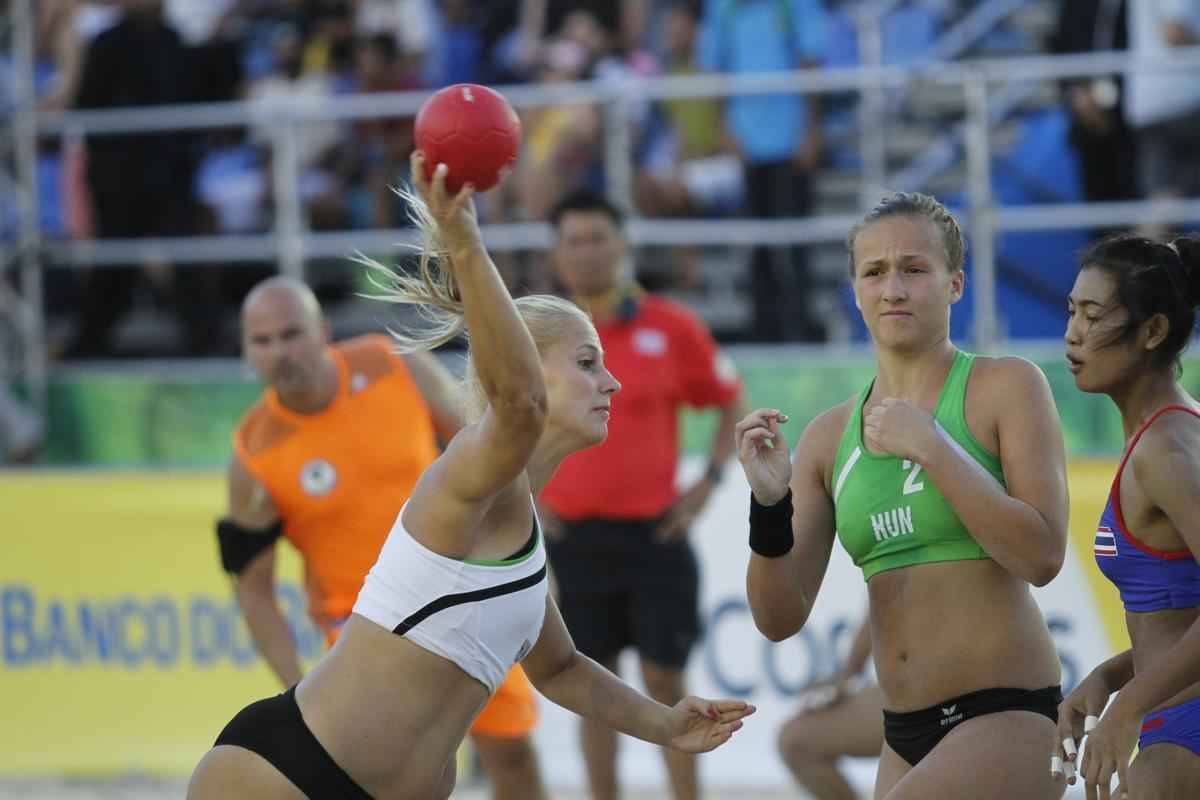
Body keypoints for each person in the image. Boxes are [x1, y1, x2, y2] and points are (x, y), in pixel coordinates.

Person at [188, 152, 754, 800]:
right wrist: (464, 243)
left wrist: (664, 724)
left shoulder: (522, 528)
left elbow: (563, 669)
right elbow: (515, 402)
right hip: (288, 774)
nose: (612, 380)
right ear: (530, 373)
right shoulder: (472, 477)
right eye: (587, 362)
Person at [735, 191, 1071, 799]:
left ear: (955, 284)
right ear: (855, 289)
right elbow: (779, 619)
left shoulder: (1007, 386)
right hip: (903, 730)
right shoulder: (827, 435)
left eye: (915, 269)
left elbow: (1042, 556)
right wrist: (768, 508)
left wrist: (935, 450)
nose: (893, 288)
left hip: (1007, 712)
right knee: (801, 742)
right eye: (875, 271)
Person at [222, 273, 550, 799]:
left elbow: (488, 448)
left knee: (513, 754)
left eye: (291, 333)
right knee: (395, 783)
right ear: (246, 350)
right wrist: (294, 687)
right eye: (262, 341)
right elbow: (254, 589)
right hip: (365, 629)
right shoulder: (253, 454)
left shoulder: (394, 366)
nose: (279, 351)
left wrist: (518, 527)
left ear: (322, 330)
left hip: (460, 593)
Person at [538, 188, 744, 800]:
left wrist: (706, 486)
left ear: (623, 243)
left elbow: (732, 398)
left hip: (656, 535)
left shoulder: (671, 327)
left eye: (598, 237)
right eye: (573, 240)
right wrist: (529, 496)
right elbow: (499, 413)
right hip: (573, 539)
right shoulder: (540, 336)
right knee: (592, 694)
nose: (586, 251)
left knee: (668, 685)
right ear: (557, 251)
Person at [1056, 234, 1200, 799]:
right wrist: (1111, 677)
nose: (1072, 333)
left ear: (1154, 331)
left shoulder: (1167, 449)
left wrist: (1129, 705)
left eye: (1093, 316)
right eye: (1071, 311)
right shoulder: (1163, 433)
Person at [777, 618, 884, 800]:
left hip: (941, 696)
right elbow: (877, 604)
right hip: (902, 693)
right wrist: (845, 677)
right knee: (796, 741)